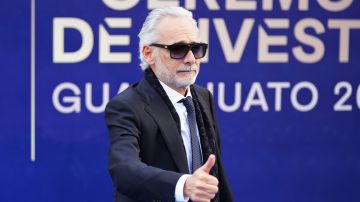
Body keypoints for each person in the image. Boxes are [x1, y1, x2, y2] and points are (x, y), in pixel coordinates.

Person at [105, 6, 233, 202]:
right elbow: (124, 170)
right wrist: (184, 186)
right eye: (178, 49)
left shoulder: (203, 96)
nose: (191, 59)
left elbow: (214, 174)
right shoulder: (126, 106)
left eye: (196, 49)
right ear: (148, 54)